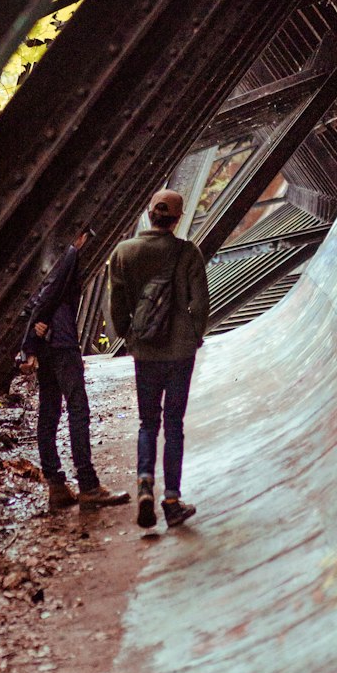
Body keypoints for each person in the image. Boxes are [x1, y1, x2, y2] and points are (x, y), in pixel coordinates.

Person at [108, 189, 208, 532]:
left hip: (146, 352)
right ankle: (172, 500)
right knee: (174, 424)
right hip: (179, 352)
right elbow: (201, 303)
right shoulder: (187, 252)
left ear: (149, 214)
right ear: (177, 219)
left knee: (147, 423)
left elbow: (117, 309)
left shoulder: (124, 252)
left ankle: (145, 483)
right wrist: (194, 334)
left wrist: (130, 336)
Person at [21, 229, 129, 515]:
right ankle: (88, 485)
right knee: (78, 409)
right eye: (87, 233)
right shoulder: (67, 254)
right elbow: (50, 295)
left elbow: (32, 299)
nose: (85, 240)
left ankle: (56, 485)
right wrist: (30, 339)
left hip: (49, 343)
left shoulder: (42, 255)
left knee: (49, 411)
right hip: (61, 343)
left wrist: (34, 333)